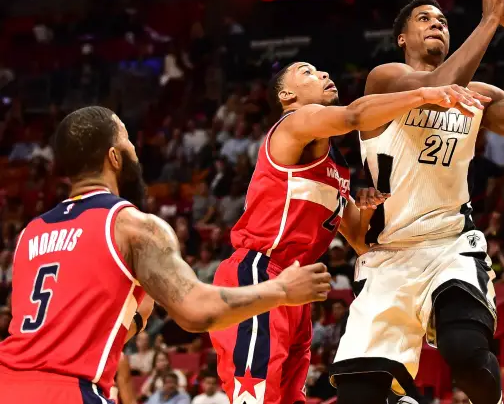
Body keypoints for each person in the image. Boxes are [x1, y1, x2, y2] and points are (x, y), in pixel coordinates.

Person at [330, 0, 504, 404]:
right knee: (356, 396)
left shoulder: (477, 95)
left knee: (465, 351)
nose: (437, 24)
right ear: (402, 38)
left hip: (450, 245)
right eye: (424, 19)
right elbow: (435, 86)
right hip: (388, 256)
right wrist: (491, 19)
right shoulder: (385, 80)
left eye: (442, 20)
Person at [0, 106, 333, 404]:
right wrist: (282, 291)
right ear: (115, 157)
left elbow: (50, 330)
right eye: (128, 141)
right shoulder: (131, 225)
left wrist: (128, 321)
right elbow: (196, 312)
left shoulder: (31, 233)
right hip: (68, 391)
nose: (134, 150)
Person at [210, 62, 484, 404]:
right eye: (307, 72)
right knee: (255, 395)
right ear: (287, 95)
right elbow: (355, 116)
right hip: (258, 273)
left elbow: (357, 238)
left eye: (323, 70)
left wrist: (367, 206)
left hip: (295, 289)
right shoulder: (294, 124)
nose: (324, 74)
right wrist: (422, 94)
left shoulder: (336, 165)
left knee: (286, 397)